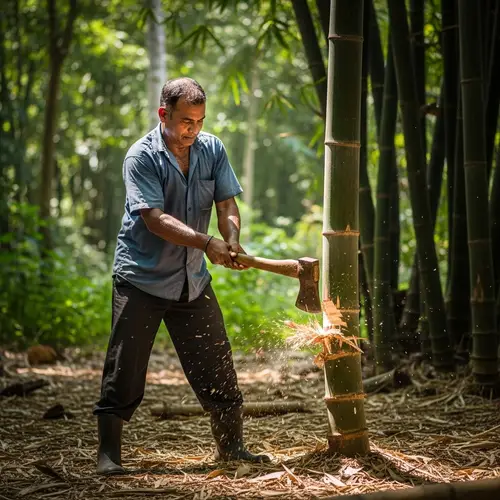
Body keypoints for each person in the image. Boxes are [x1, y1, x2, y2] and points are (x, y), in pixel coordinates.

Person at [93, 77, 270, 475]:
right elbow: (154, 219)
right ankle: (109, 456)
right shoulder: (140, 157)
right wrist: (208, 243)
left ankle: (232, 448)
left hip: (192, 280)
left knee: (217, 363)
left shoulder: (211, 149)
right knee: (125, 367)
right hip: (142, 278)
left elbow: (226, 204)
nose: (194, 130)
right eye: (186, 121)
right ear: (164, 114)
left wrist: (232, 238)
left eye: (200, 121)